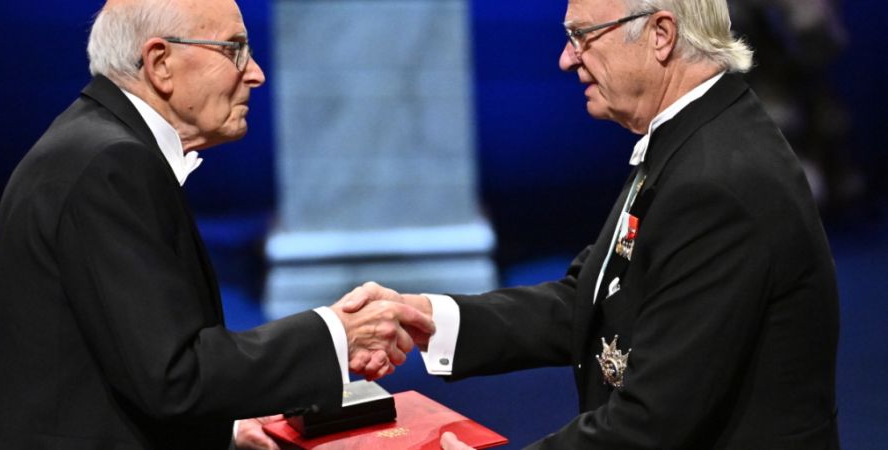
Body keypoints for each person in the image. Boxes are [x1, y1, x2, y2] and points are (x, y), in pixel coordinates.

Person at [343, 0, 841, 448]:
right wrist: (428, 319)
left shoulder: (717, 183)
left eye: (582, 36)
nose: (566, 58)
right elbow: (590, 301)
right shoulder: (694, 136)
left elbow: (651, 423)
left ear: (661, 34)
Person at [0, 0, 431, 449]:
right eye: (235, 49)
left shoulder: (93, 143)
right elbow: (173, 376)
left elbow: (119, 362)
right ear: (161, 63)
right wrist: (338, 333)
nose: (256, 73)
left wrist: (228, 428)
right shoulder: (110, 164)